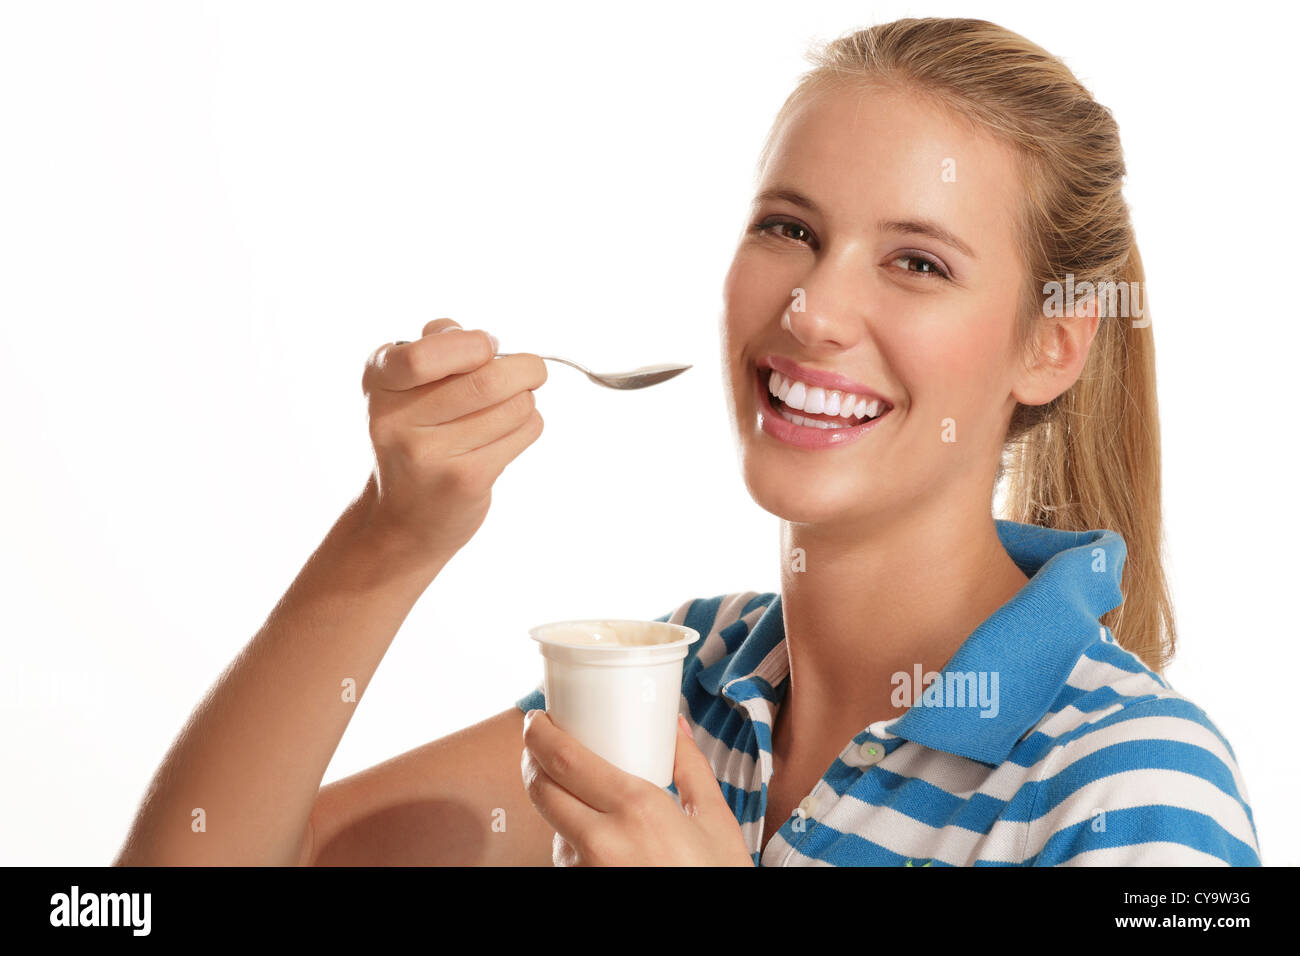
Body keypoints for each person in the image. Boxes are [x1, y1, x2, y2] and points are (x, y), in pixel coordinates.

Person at [113, 17, 1261, 867]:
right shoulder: (686, 686)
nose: (811, 308)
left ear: (1050, 347)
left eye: (917, 261)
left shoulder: (1135, 786)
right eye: (788, 228)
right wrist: (387, 536)